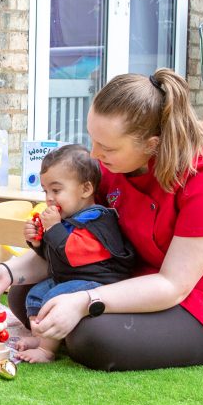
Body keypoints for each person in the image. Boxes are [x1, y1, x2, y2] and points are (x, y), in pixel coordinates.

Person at [0, 69, 203, 371]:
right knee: (25, 295)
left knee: (92, 335)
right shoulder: (114, 166)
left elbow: (174, 285)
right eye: (93, 140)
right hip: (139, 272)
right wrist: (9, 272)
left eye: (107, 147)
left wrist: (84, 300)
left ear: (152, 144)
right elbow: (80, 244)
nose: (94, 153)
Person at [15, 144, 135, 363]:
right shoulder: (68, 218)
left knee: (54, 299)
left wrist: (53, 228)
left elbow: (72, 253)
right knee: (35, 294)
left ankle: (46, 351)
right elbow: (54, 255)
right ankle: (40, 335)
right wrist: (36, 242)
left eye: (56, 190)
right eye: (45, 191)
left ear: (86, 189)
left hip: (98, 283)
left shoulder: (97, 219)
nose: (49, 198)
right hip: (70, 278)